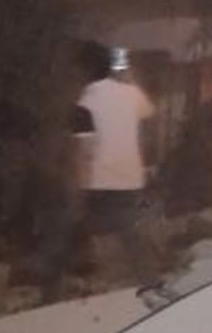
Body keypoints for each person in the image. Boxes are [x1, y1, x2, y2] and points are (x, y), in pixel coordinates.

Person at [42, 42, 157, 294]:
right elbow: (148, 111)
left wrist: (76, 195)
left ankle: (50, 289)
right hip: (131, 183)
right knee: (128, 232)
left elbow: (81, 155)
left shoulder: (83, 104)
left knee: (65, 229)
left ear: (82, 71)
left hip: (100, 185)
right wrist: (127, 77)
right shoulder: (131, 94)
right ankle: (150, 281)